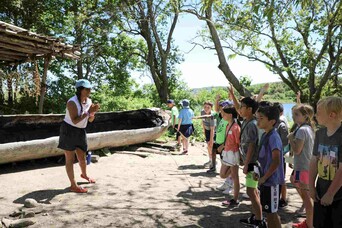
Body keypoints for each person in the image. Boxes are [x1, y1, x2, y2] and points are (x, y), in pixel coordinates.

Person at [58, 79, 100, 193]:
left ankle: (84, 175)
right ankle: (73, 185)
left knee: (82, 157)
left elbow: (90, 120)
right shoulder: (72, 102)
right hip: (69, 130)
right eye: (87, 89)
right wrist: (88, 112)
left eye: (90, 88)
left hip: (81, 131)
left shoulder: (89, 101)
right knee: (70, 159)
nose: (89, 91)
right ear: (80, 90)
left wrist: (93, 112)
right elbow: (75, 120)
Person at [309, 97, 342, 228]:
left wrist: (330, 193)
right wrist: (311, 185)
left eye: (318, 112)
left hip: (338, 195)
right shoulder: (319, 133)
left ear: (331, 115)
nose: (315, 115)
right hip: (320, 190)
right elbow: (314, 160)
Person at [233, 97, 263, 227]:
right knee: (253, 190)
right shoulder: (247, 120)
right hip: (250, 162)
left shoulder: (252, 124)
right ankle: (256, 215)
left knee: (251, 191)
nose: (240, 109)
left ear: (250, 109)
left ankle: (259, 220)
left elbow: (252, 145)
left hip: (253, 163)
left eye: (242, 107)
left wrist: (246, 164)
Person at [256, 104, 284, 228]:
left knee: (272, 213)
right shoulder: (264, 135)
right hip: (265, 181)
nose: (258, 120)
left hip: (272, 182)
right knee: (268, 212)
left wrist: (265, 177)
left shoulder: (274, 137)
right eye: (257, 117)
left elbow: (276, 161)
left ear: (272, 121)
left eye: (261, 118)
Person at [288, 104, 315, 228]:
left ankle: (309, 224)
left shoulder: (302, 130)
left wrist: (291, 139)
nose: (293, 117)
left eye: (296, 114)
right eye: (293, 114)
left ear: (306, 116)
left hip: (304, 166)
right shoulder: (307, 128)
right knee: (293, 179)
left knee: (307, 198)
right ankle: (309, 221)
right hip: (305, 165)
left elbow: (297, 150)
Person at [220, 105, 241, 208]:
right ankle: (234, 196)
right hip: (227, 153)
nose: (222, 115)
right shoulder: (228, 125)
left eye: (224, 113)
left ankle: (235, 199)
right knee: (222, 174)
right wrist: (223, 146)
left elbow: (238, 142)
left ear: (230, 115)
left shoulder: (236, 127)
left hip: (233, 153)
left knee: (235, 176)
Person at [274, 102, 290, 207]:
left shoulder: (281, 125)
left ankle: (283, 199)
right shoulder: (272, 123)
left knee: (281, 178)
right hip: (272, 157)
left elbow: (285, 142)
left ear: (281, 113)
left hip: (280, 157)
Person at [200, 101, 216, 169]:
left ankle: (212, 161)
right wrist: (204, 131)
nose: (206, 109)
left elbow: (212, 129)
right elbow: (203, 121)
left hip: (213, 131)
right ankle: (210, 159)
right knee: (208, 146)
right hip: (206, 130)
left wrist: (211, 139)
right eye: (205, 107)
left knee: (211, 146)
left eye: (208, 107)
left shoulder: (212, 116)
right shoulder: (202, 112)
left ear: (211, 108)